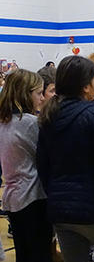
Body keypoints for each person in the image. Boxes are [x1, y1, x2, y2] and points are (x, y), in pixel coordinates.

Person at [37, 55, 94, 262]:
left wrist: (58, 193)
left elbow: (42, 165)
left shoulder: (48, 117)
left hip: (62, 210)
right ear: (85, 86)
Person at [0, 69, 53, 262]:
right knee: (40, 253)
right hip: (33, 196)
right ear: (25, 94)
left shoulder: (4, 121)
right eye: (38, 93)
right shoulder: (30, 123)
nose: (41, 98)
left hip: (12, 197)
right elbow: (45, 158)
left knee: (24, 253)